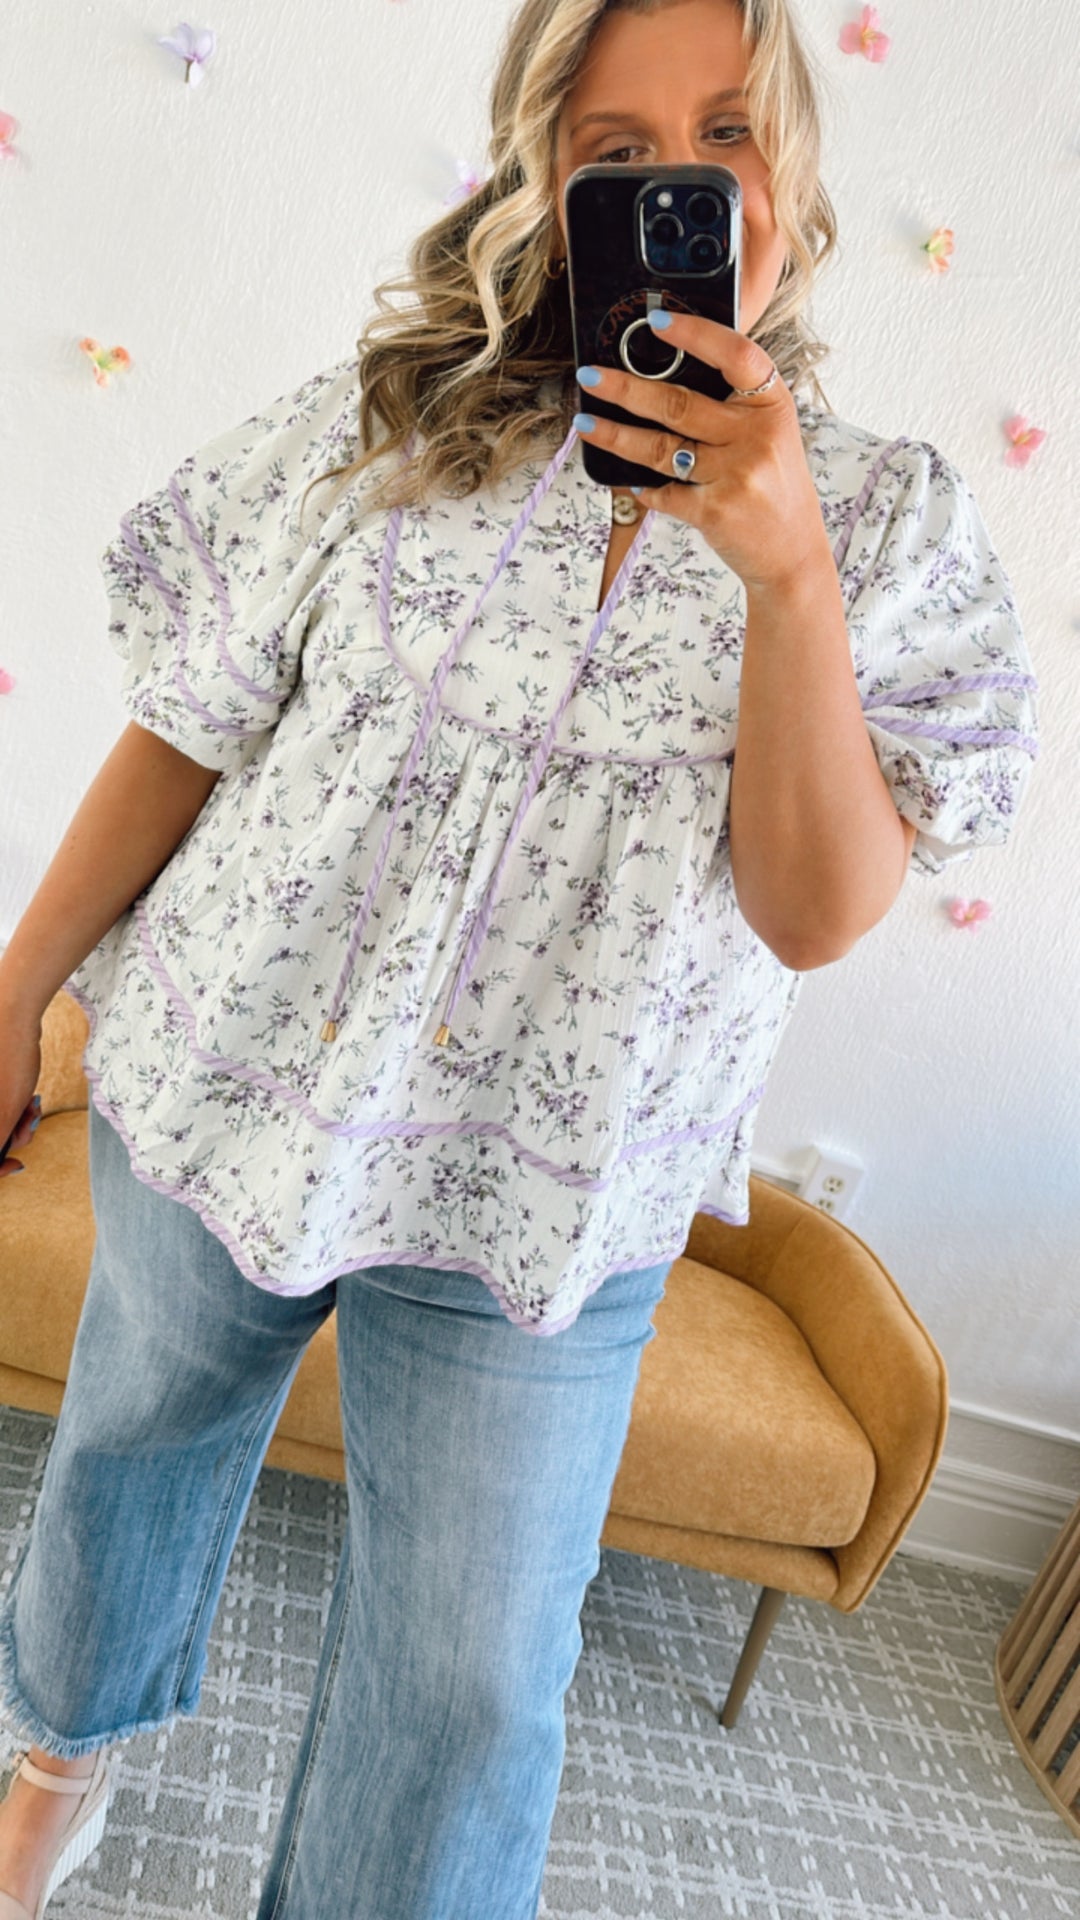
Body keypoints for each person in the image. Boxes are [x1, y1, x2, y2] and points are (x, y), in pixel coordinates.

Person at [0, 0, 1038, 1914]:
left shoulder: (887, 527)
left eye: (726, 133)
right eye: (613, 152)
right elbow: (188, 723)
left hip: (547, 1200)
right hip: (232, 1076)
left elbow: (814, 911)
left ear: (797, 175)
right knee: (132, 1447)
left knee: (474, 1685)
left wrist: (787, 569)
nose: (676, 185)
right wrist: (12, 991)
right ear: (545, 187)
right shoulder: (399, 421)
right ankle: (56, 1770)